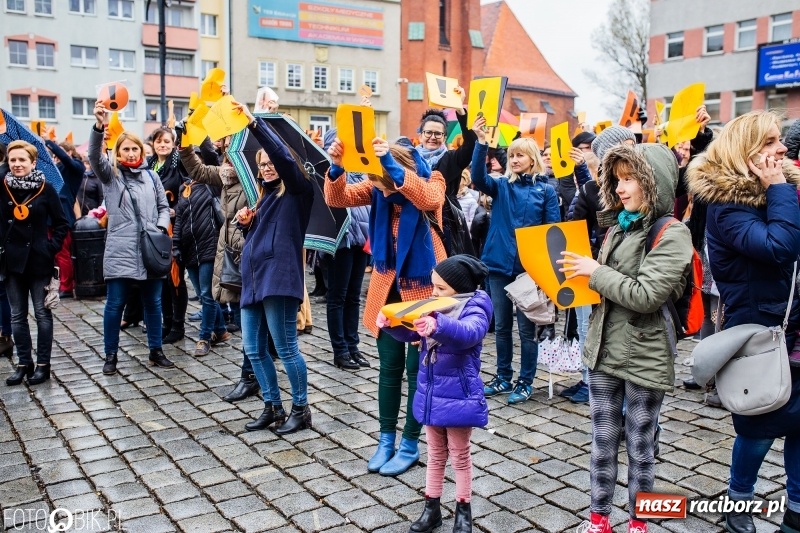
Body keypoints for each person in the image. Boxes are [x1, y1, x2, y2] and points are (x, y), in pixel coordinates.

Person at [559, 143, 693, 533]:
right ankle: (598, 519)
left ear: (654, 182)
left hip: (645, 354)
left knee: (640, 444)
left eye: (629, 178)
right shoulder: (618, 225)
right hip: (603, 349)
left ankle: (639, 521)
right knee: (602, 442)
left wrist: (594, 272)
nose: (620, 188)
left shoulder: (672, 233)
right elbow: (603, 287)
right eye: (616, 180)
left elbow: (647, 295)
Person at [686, 110, 800, 533]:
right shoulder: (728, 204)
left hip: (795, 328)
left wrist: (782, 190)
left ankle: (797, 509)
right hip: (760, 335)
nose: (782, 148)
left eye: (780, 140)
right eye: (770, 142)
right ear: (747, 150)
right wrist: (779, 188)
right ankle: (739, 503)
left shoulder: (782, 191)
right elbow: (779, 246)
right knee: (759, 427)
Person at [325, 134, 446, 476]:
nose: (380, 189)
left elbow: (428, 198)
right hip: (387, 292)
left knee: (418, 372)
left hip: (424, 293)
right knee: (390, 369)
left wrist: (391, 169)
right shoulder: (378, 187)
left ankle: (410, 443)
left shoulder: (432, 180)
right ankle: (386, 439)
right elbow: (338, 198)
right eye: (376, 183)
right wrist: (336, 167)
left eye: (382, 183)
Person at [378, 255, 491, 533]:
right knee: (436, 454)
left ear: (459, 287)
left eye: (441, 288)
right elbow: (413, 332)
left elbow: (469, 333)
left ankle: (463, 511)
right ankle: (432, 509)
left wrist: (438, 325)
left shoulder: (475, 307)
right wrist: (392, 325)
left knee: (460, 455)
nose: (434, 292)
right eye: (433, 286)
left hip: (458, 396)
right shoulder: (435, 305)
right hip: (430, 392)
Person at [234, 103, 313, 435]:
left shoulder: (298, 189)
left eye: (272, 163)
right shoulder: (262, 198)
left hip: (279, 280)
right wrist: (246, 226)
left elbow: (283, 157)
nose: (267, 168)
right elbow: (261, 240)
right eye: (262, 164)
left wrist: (255, 124)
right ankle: (273, 407)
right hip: (254, 280)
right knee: (253, 349)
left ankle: (301, 409)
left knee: (286, 348)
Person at [470, 117, 561, 404]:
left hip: (528, 270)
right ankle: (503, 377)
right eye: (511, 155)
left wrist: (546, 272)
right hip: (498, 265)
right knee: (502, 327)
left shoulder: (546, 191)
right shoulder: (501, 186)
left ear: (533, 159)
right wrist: (481, 143)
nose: (514, 160)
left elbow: (552, 231)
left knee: (526, 329)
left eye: (520, 155)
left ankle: (525, 381)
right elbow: (478, 178)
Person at [87, 100, 174, 375]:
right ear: (118, 152)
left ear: (141, 150)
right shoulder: (111, 176)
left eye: (135, 148)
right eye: (126, 148)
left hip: (151, 250)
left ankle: (156, 350)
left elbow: (163, 207)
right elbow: (94, 156)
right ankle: (111, 355)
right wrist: (99, 125)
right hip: (120, 250)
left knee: (154, 304)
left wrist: (160, 228)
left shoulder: (152, 177)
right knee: (115, 305)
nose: (131, 152)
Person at [177, 134, 260, 401]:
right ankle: (251, 373)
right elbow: (198, 170)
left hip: (250, 254)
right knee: (246, 316)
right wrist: (184, 145)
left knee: (251, 319)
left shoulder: (255, 179)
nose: (225, 149)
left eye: (230, 143)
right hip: (232, 256)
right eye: (224, 145)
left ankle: (252, 373)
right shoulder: (226, 175)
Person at [1, 140, 69, 386]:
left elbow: (62, 223)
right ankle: (24, 363)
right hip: (11, 261)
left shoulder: (45, 188)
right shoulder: (2, 187)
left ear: (33, 162)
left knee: (42, 313)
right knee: (17, 315)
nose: (17, 164)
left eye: (22, 160)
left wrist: (50, 248)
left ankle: (43, 365)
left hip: (38, 261)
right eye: (13, 160)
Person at [322, 129, 371, 370]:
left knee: (353, 296)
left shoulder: (361, 167)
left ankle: (353, 346)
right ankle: (340, 350)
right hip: (338, 240)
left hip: (361, 238)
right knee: (337, 297)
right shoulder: (330, 169)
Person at [172, 169, 230, 357]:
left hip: (209, 247)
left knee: (207, 294)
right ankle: (220, 330)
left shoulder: (210, 184)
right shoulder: (184, 188)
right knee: (203, 294)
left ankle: (204, 338)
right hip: (189, 250)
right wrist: (176, 244)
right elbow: (179, 219)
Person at [415, 98, 475, 256]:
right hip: (416, 220)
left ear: (444, 137)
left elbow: (471, 144)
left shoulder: (452, 158)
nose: (432, 137)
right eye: (428, 132)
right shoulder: (410, 159)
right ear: (421, 135)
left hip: (446, 222)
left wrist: (461, 111)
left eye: (438, 133)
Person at [147, 127, 189, 344]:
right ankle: (166, 321)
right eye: (158, 141)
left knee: (175, 278)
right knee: (161, 278)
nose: (162, 145)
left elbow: (190, 190)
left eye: (166, 141)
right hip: (155, 229)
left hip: (175, 228)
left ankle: (178, 325)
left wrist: (176, 208)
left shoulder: (178, 163)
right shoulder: (149, 164)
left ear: (173, 143)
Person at [45, 139, 85, 299]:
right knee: (54, 253)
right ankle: (59, 283)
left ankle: (67, 287)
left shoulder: (76, 167)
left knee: (63, 254)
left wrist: (49, 143)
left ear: (69, 152)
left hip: (63, 216)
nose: (57, 156)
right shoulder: (57, 168)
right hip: (49, 216)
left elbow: (66, 160)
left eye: (60, 152)